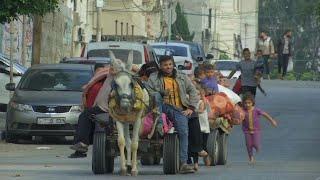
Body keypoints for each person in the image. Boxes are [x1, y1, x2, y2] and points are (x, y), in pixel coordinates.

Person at [147, 55, 200, 174]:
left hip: (177, 108)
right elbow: (148, 92)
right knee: (156, 96)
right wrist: (160, 92)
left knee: (183, 131)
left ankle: (183, 163)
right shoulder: (153, 77)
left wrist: (191, 107)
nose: (168, 67)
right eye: (165, 65)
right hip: (159, 107)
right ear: (160, 66)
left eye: (170, 64)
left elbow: (192, 91)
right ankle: (159, 125)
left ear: (173, 65)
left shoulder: (182, 76)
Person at [69, 60, 124, 158]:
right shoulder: (109, 76)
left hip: (106, 109)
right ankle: (81, 146)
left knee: (84, 116)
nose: (111, 69)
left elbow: (135, 68)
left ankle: (82, 144)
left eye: (114, 67)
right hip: (100, 107)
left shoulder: (120, 78)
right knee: (86, 118)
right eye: (111, 66)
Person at [242, 94, 278, 164]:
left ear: (252, 103)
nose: (247, 105)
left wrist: (272, 121)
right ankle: (251, 158)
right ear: (243, 103)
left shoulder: (256, 110)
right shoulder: (242, 111)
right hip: (247, 131)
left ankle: (257, 147)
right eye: (246, 103)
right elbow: (237, 117)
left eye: (249, 103)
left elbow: (265, 114)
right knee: (248, 145)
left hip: (256, 130)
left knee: (256, 143)